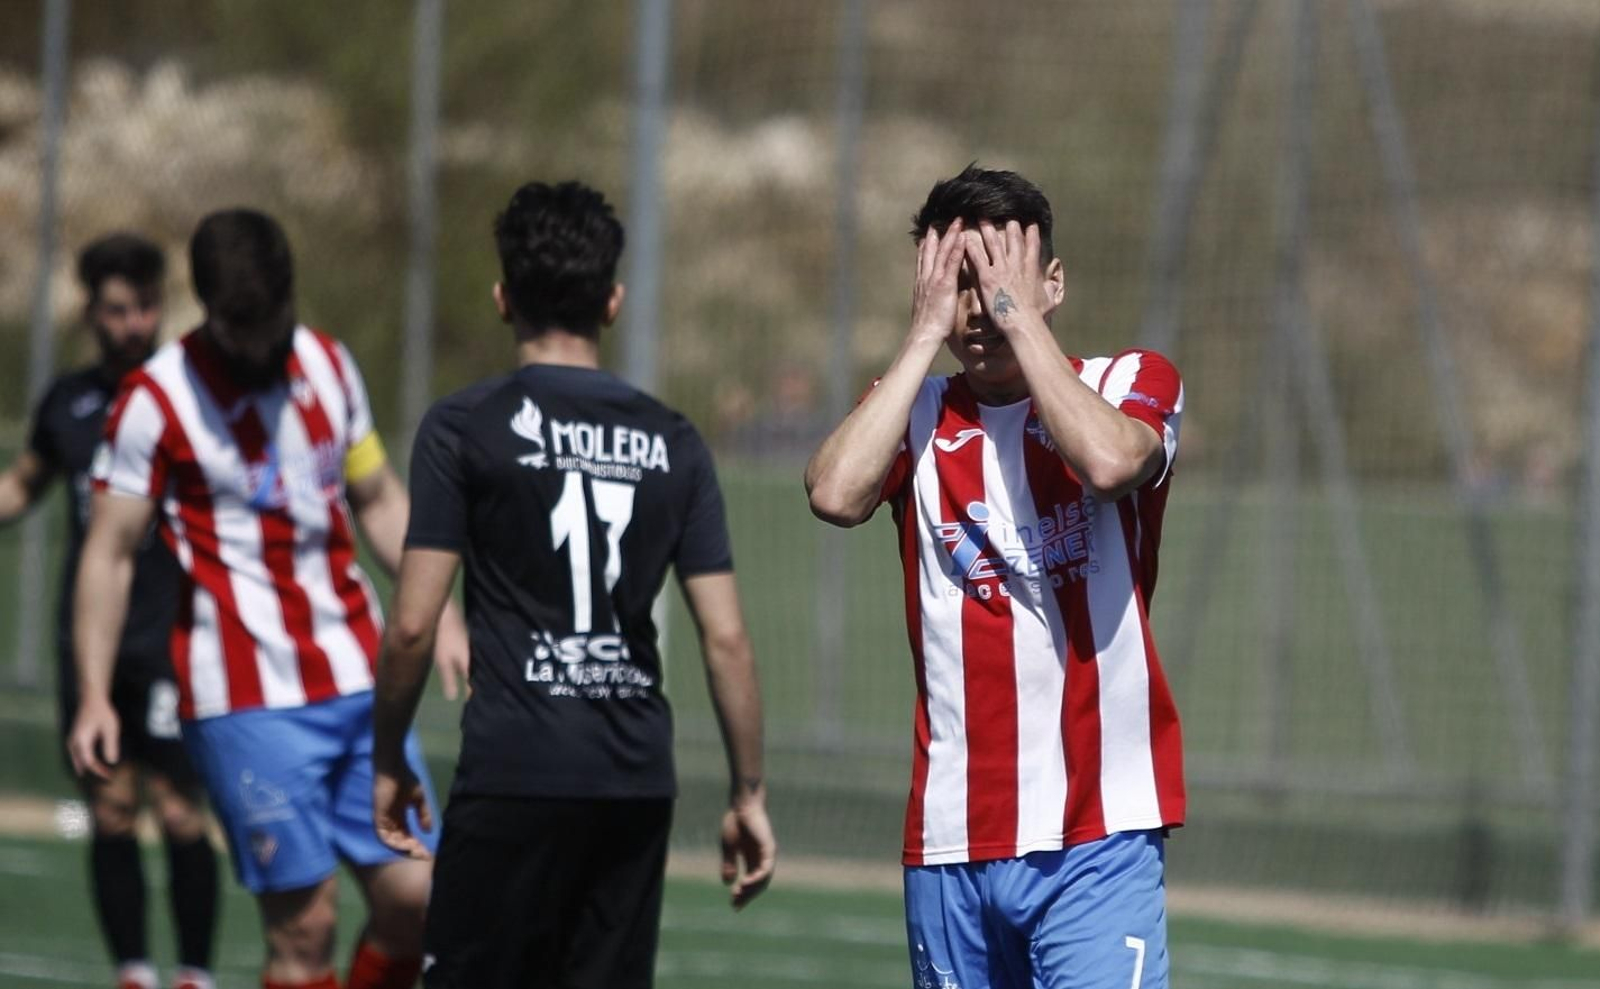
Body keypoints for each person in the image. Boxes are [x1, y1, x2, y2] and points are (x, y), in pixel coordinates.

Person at [370, 179, 777, 989]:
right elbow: (725, 637)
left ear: (501, 297)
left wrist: (387, 755)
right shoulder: (675, 440)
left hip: (514, 766)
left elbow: (414, 624)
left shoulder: (463, 427)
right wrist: (748, 790)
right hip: (631, 776)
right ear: (614, 301)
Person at [68, 208, 470, 989]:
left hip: (361, 681)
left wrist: (441, 606)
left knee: (417, 900)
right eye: (237, 328)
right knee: (306, 923)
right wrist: (92, 691)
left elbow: (379, 498)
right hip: (244, 698)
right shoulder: (156, 400)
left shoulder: (328, 365)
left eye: (269, 324)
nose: (257, 346)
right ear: (209, 310)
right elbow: (109, 554)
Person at [805, 165, 1186, 989]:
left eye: (1001, 280)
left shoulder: (1128, 382)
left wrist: (1019, 320)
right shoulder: (913, 409)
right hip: (952, 840)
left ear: (1053, 281)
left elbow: (1112, 460)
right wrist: (917, 338)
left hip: (1099, 834)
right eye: (963, 284)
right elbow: (834, 493)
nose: (981, 308)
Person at [0, 234, 220, 989]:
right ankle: (133, 968)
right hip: (89, 641)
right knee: (110, 806)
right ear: (92, 314)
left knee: (180, 809)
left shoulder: (191, 394)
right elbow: (24, 484)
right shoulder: (70, 401)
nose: (134, 324)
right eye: (118, 310)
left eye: (146, 307)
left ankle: (194, 970)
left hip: (171, 635)